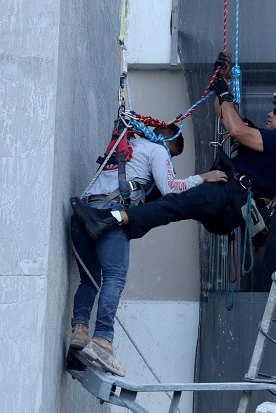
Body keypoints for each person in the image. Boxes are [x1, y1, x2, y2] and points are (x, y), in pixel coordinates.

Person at [72, 52, 276, 246]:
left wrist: (225, 93)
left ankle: (109, 219)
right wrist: (222, 80)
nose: (271, 113)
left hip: (226, 196)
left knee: (172, 203)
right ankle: (119, 219)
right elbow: (224, 117)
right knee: (160, 194)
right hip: (226, 204)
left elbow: (237, 130)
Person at [69, 123, 226, 376]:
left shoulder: (126, 145)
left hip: (83, 213)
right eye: (173, 154)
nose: (170, 159)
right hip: (111, 217)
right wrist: (202, 178)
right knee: (114, 278)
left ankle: (79, 332)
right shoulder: (158, 150)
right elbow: (171, 189)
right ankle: (102, 341)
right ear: (169, 143)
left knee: (89, 281)